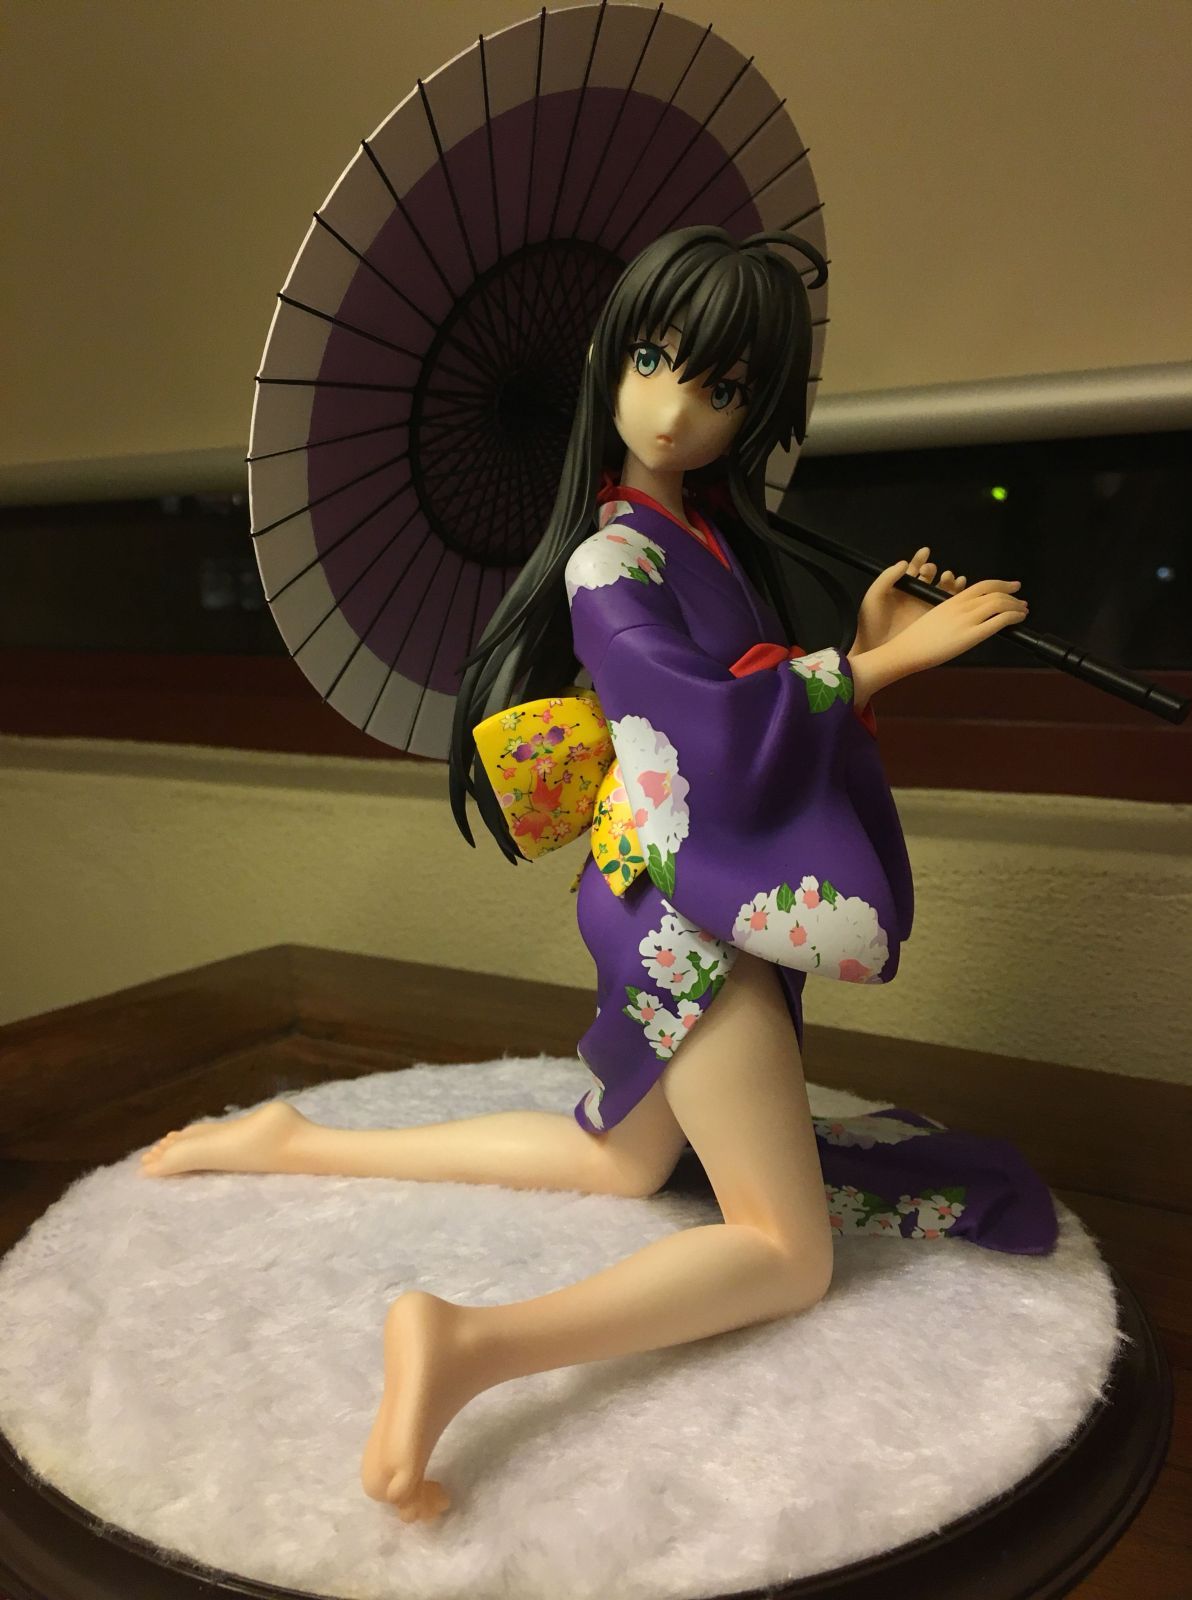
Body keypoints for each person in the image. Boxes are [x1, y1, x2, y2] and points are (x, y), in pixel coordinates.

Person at [142, 226, 1050, 1523]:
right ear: (605, 362)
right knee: (785, 1254)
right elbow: (697, 724)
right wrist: (879, 667)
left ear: (756, 410)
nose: (677, 410)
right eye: (653, 361)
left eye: (722, 387)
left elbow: (755, 711)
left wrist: (859, 645)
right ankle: (465, 1347)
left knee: (620, 1161)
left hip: (668, 889)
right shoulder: (607, 559)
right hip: (686, 911)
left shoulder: (708, 537)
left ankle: (298, 1140)